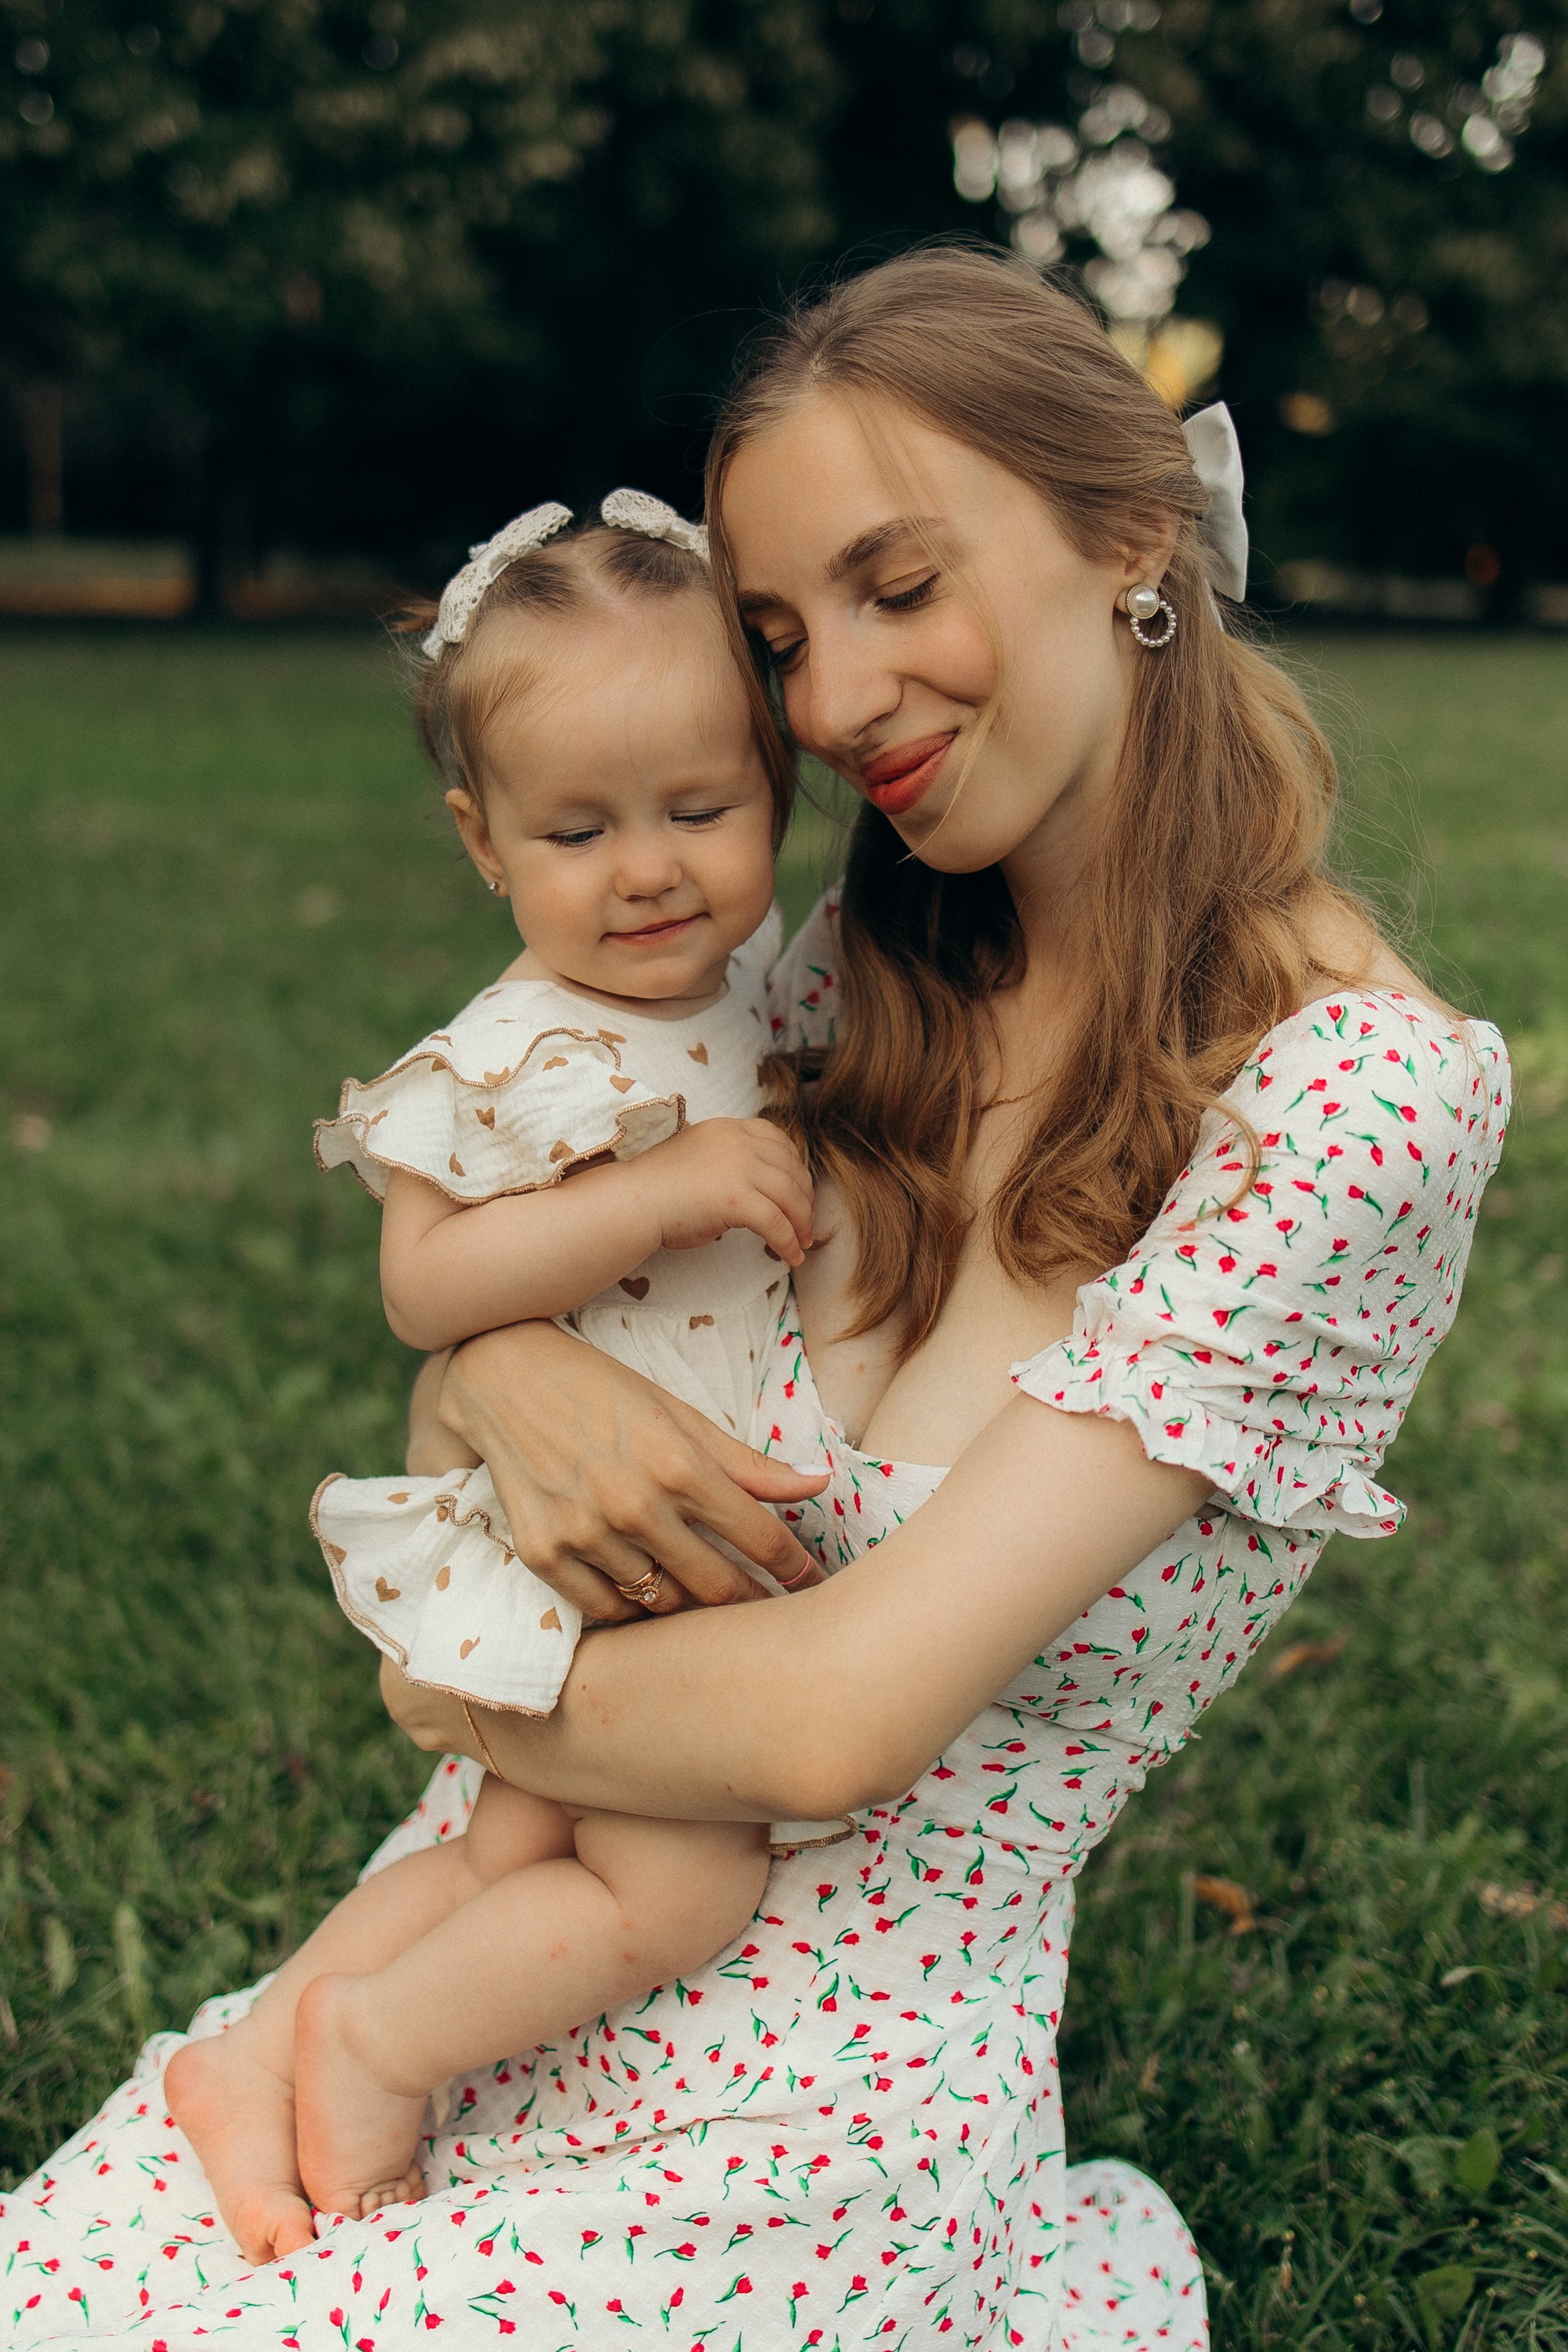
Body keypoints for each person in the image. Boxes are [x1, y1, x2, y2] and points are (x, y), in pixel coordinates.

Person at [1, 249, 1508, 2352]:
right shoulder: (846, 976)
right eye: (785, 636)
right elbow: (507, 1358)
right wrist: (507, 1373)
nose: (828, 705)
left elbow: (832, 1716)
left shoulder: (1348, 1102)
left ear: (1133, 533)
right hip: (474, 1939)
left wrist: (453, 1678)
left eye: (902, 589)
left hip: (818, 2112)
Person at [165, 488, 849, 2267]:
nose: (647, 870)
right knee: (677, 1880)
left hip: (658, 1529)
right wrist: (665, 1187)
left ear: (776, 792)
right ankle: (377, 2047)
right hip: (581, 1537)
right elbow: (427, 1283)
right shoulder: (513, 1049)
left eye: (703, 810)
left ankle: (251, 2058)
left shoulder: (755, 983)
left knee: (504, 1854)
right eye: (576, 828)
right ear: (483, 845)